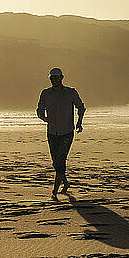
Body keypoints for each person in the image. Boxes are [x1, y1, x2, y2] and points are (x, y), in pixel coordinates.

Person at [37, 68, 86, 201]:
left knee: (60, 161)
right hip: (52, 133)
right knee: (55, 162)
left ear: (61, 78)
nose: (54, 80)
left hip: (67, 132)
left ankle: (55, 190)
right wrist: (44, 118)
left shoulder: (70, 92)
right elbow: (39, 110)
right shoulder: (46, 93)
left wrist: (79, 122)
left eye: (56, 77)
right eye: (52, 78)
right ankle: (65, 182)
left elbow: (81, 107)